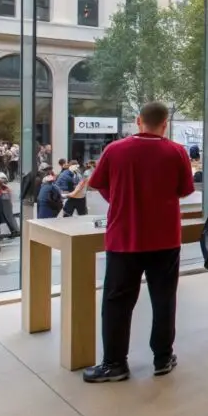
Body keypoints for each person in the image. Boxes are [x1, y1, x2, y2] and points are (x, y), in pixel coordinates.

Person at [82, 101, 195, 383]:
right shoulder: (177, 151)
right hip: (165, 238)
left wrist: (119, 198)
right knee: (164, 299)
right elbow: (184, 190)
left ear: (138, 120)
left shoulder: (115, 149)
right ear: (165, 124)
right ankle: (163, 357)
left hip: (124, 237)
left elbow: (98, 183)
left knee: (117, 301)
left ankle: (115, 363)